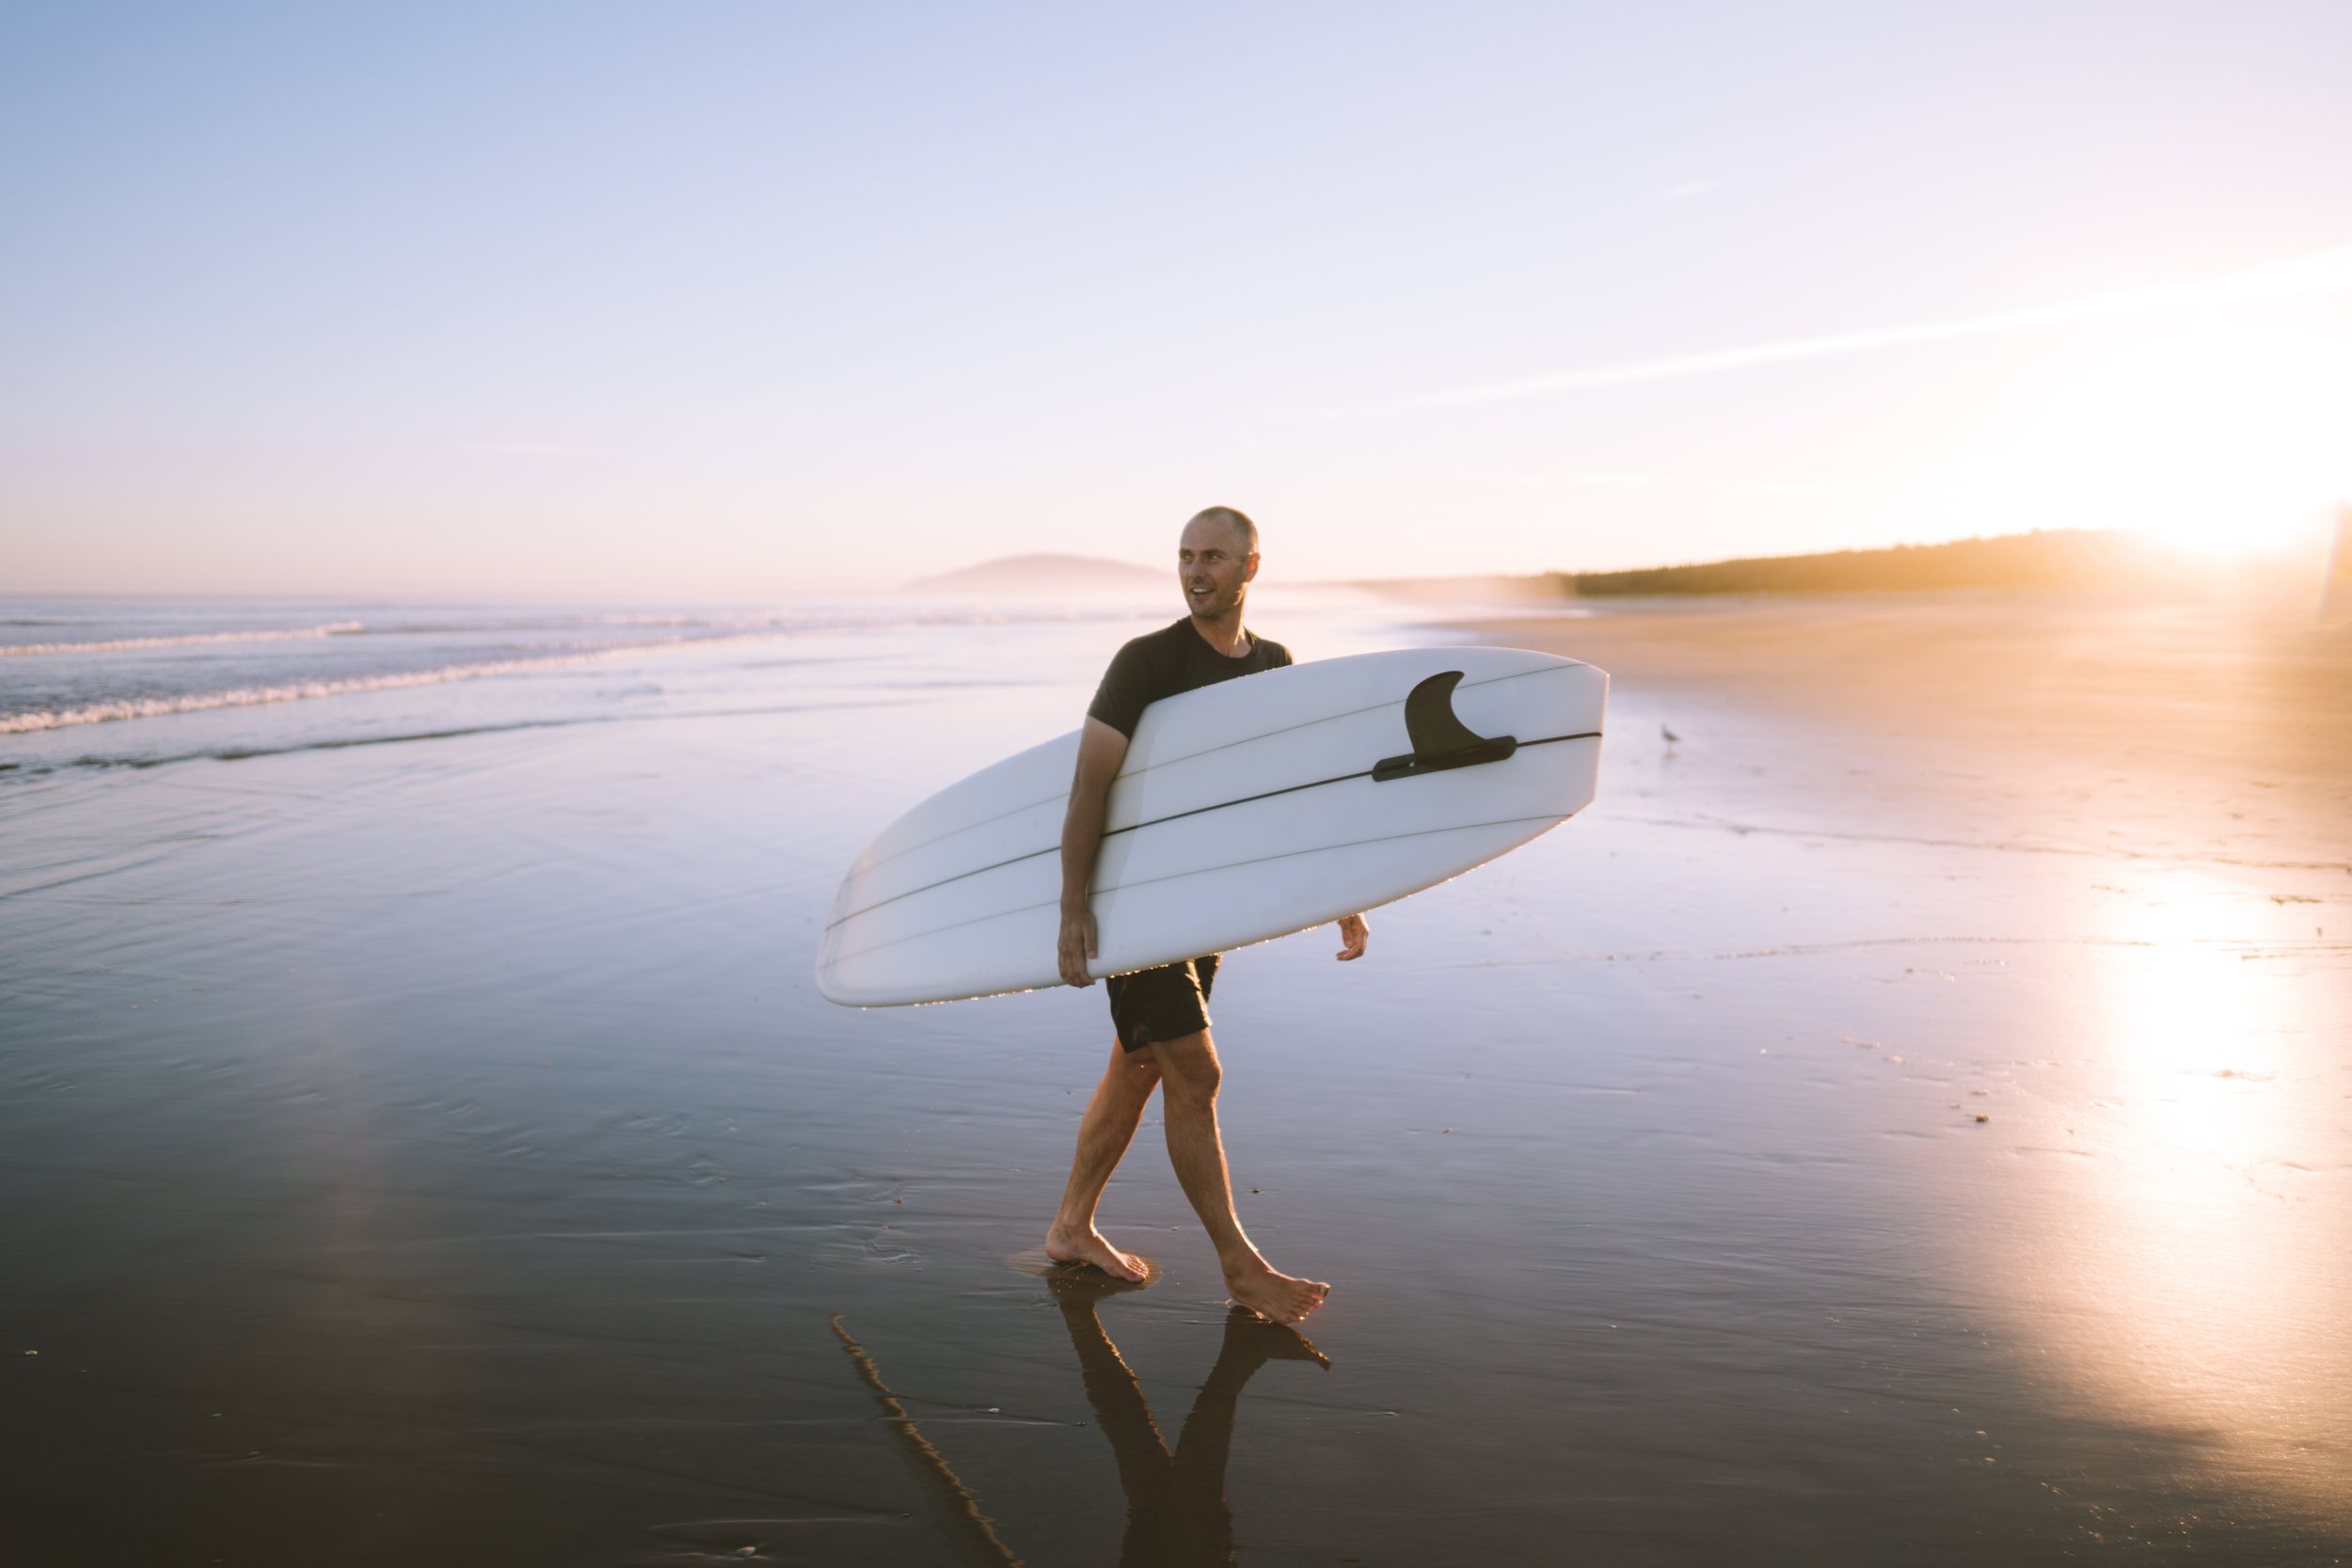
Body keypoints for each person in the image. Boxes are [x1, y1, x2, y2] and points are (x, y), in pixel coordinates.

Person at [1043, 505, 1367, 1326]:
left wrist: (1341, 895)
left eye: (1214, 557)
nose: (1195, 571)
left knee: (1142, 1062)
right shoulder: (1146, 662)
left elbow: (1292, 791)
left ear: (1251, 567)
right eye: (1185, 556)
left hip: (1203, 904)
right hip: (1136, 901)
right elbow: (1091, 784)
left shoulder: (1275, 666)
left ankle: (1070, 1228)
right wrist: (1075, 904)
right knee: (1197, 1072)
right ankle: (1240, 1264)